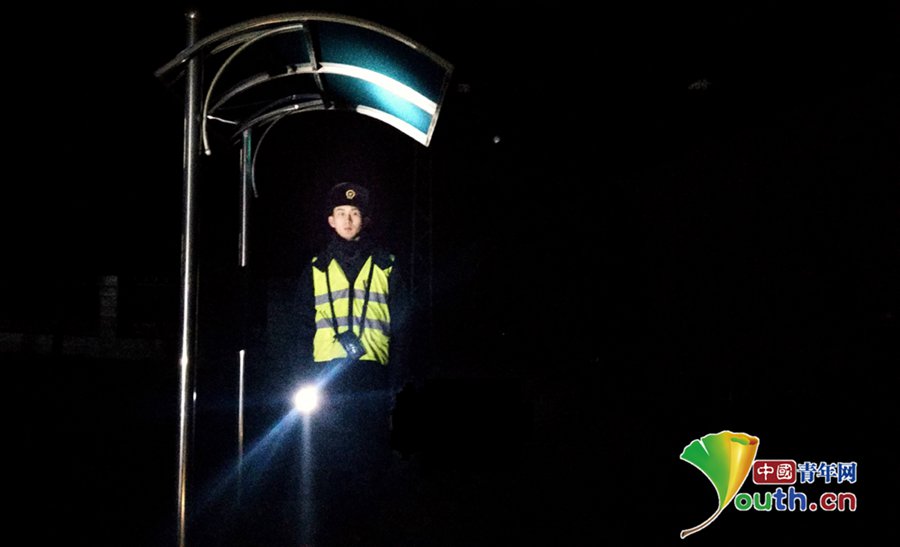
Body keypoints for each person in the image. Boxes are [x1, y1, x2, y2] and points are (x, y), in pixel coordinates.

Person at [292, 181, 408, 547]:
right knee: (328, 457)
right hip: (325, 376)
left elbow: (403, 324)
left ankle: (366, 529)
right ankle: (331, 529)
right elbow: (301, 328)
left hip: (372, 372)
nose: (347, 219)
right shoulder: (315, 268)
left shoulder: (387, 265)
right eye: (340, 213)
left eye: (354, 213)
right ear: (330, 220)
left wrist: (399, 380)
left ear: (365, 219)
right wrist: (301, 378)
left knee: (371, 458)